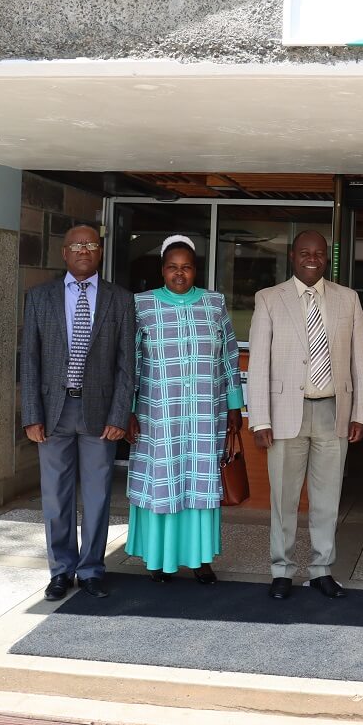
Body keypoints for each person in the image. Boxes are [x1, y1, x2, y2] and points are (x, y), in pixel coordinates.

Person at [247, 230, 363, 600]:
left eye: (319, 253)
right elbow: (258, 365)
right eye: (305, 252)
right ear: (292, 255)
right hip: (286, 415)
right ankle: (281, 571)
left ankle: (321, 570)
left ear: (327, 257)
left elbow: (360, 362)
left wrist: (361, 413)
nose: (312, 259)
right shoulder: (269, 299)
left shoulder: (347, 300)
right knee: (283, 499)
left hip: (334, 410)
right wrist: (260, 419)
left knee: (327, 497)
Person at [21, 225, 135, 601]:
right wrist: (31, 414)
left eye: (91, 245)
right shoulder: (40, 298)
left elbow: (126, 363)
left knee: (99, 496)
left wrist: (120, 414)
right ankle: (61, 570)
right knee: (55, 498)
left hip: (100, 414)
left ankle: (91, 569)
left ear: (100, 252)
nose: (84, 250)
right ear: (64, 254)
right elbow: (31, 360)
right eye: (76, 246)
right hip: (54, 412)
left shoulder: (120, 299)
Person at [124, 235, 243, 586]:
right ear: (162, 270)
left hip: (206, 415)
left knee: (199, 481)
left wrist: (235, 405)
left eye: (187, 267)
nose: (180, 274)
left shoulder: (214, 303)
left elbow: (229, 357)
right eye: (173, 267)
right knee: (164, 482)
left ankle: (200, 560)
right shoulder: (141, 305)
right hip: (157, 415)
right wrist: (127, 411)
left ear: (196, 271)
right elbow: (131, 362)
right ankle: (159, 560)